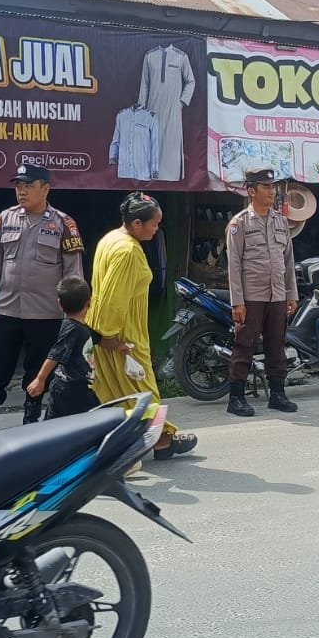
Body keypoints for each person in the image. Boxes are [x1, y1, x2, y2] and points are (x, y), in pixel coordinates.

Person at [0, 163, 85, 428]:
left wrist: (74, 315)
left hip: (45, 314)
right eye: (19, 186)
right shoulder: (4, 219)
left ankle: (31, 421)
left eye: (28, 186)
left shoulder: (64, 224)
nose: (21, 191)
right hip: (6, 309)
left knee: (38, 372)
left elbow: (73, 274)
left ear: (45, 189)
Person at [91, 192, 198, 459]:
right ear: (137, 223)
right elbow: (114, 300)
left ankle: (151, 438)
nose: (157, 229)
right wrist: (110, 337)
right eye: (154, 224)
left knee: (120, 393)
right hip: (123, 336)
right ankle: (160, 439)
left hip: (107, 333)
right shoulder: (127, 251)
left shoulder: (110, 240)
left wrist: (100, 335)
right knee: (143, 392)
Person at [225, 168, 301, 416]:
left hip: (277, 295)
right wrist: (237, 302)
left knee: (276, 345)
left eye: (273, 187)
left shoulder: (281, 221)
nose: (272, 191)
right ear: (251, 191)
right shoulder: (239, 223)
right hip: (251, 297)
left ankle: (277, 395)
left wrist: (291, 294)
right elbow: (234, 265)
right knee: (244, 346)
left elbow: (288, 260)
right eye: (266, 187)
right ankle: (236, 398)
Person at [26, 277, 127, 420]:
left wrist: (119, 346)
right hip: (69, 388)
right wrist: (40, 379)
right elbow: (55, 354)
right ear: (89, 302)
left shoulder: (82, 328)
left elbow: (101, 340)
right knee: (75, 422)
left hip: (80, 387)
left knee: (80, 419)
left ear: (59, 304)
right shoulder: (72, 329)